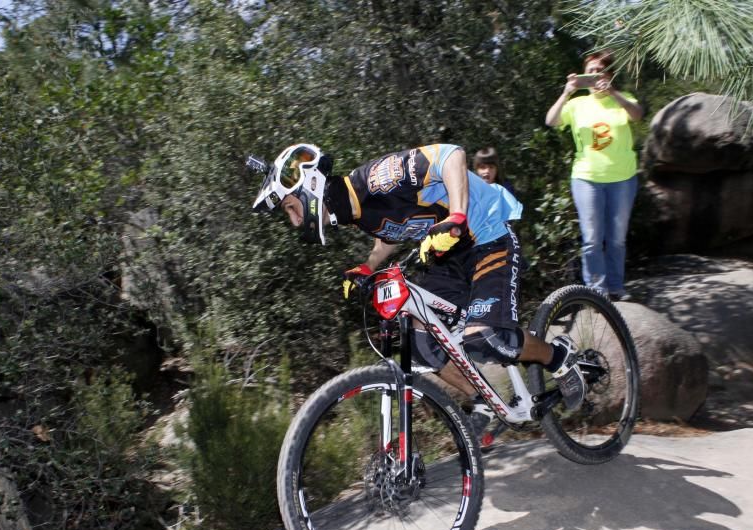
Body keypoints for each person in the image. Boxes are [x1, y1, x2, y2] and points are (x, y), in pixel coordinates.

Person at [251, 142, 588, 442]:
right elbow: (391, 232)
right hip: (447, 255)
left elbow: (452, 155)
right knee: (420, 341)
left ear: (308, 186)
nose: (295, 221)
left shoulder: (376, 178)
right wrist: (367, 267)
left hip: (486, 235)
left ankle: (560, 357)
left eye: (290, 208)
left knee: (485, 337)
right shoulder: (353, 210)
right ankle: (485, 402)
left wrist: (456, 216)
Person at [545, 50, 643, 301]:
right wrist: (567, 91)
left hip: (623, 178)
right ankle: (597, 292)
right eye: (589, 71)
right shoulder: (577, 104)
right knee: (591, 239)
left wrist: (613, 93)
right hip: (587, 178)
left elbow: (637, 115)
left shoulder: (623, 99)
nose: (593, 76)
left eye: (599, 71)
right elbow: (551, 120)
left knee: (617, 239)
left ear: (609, 74)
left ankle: (616, 287)